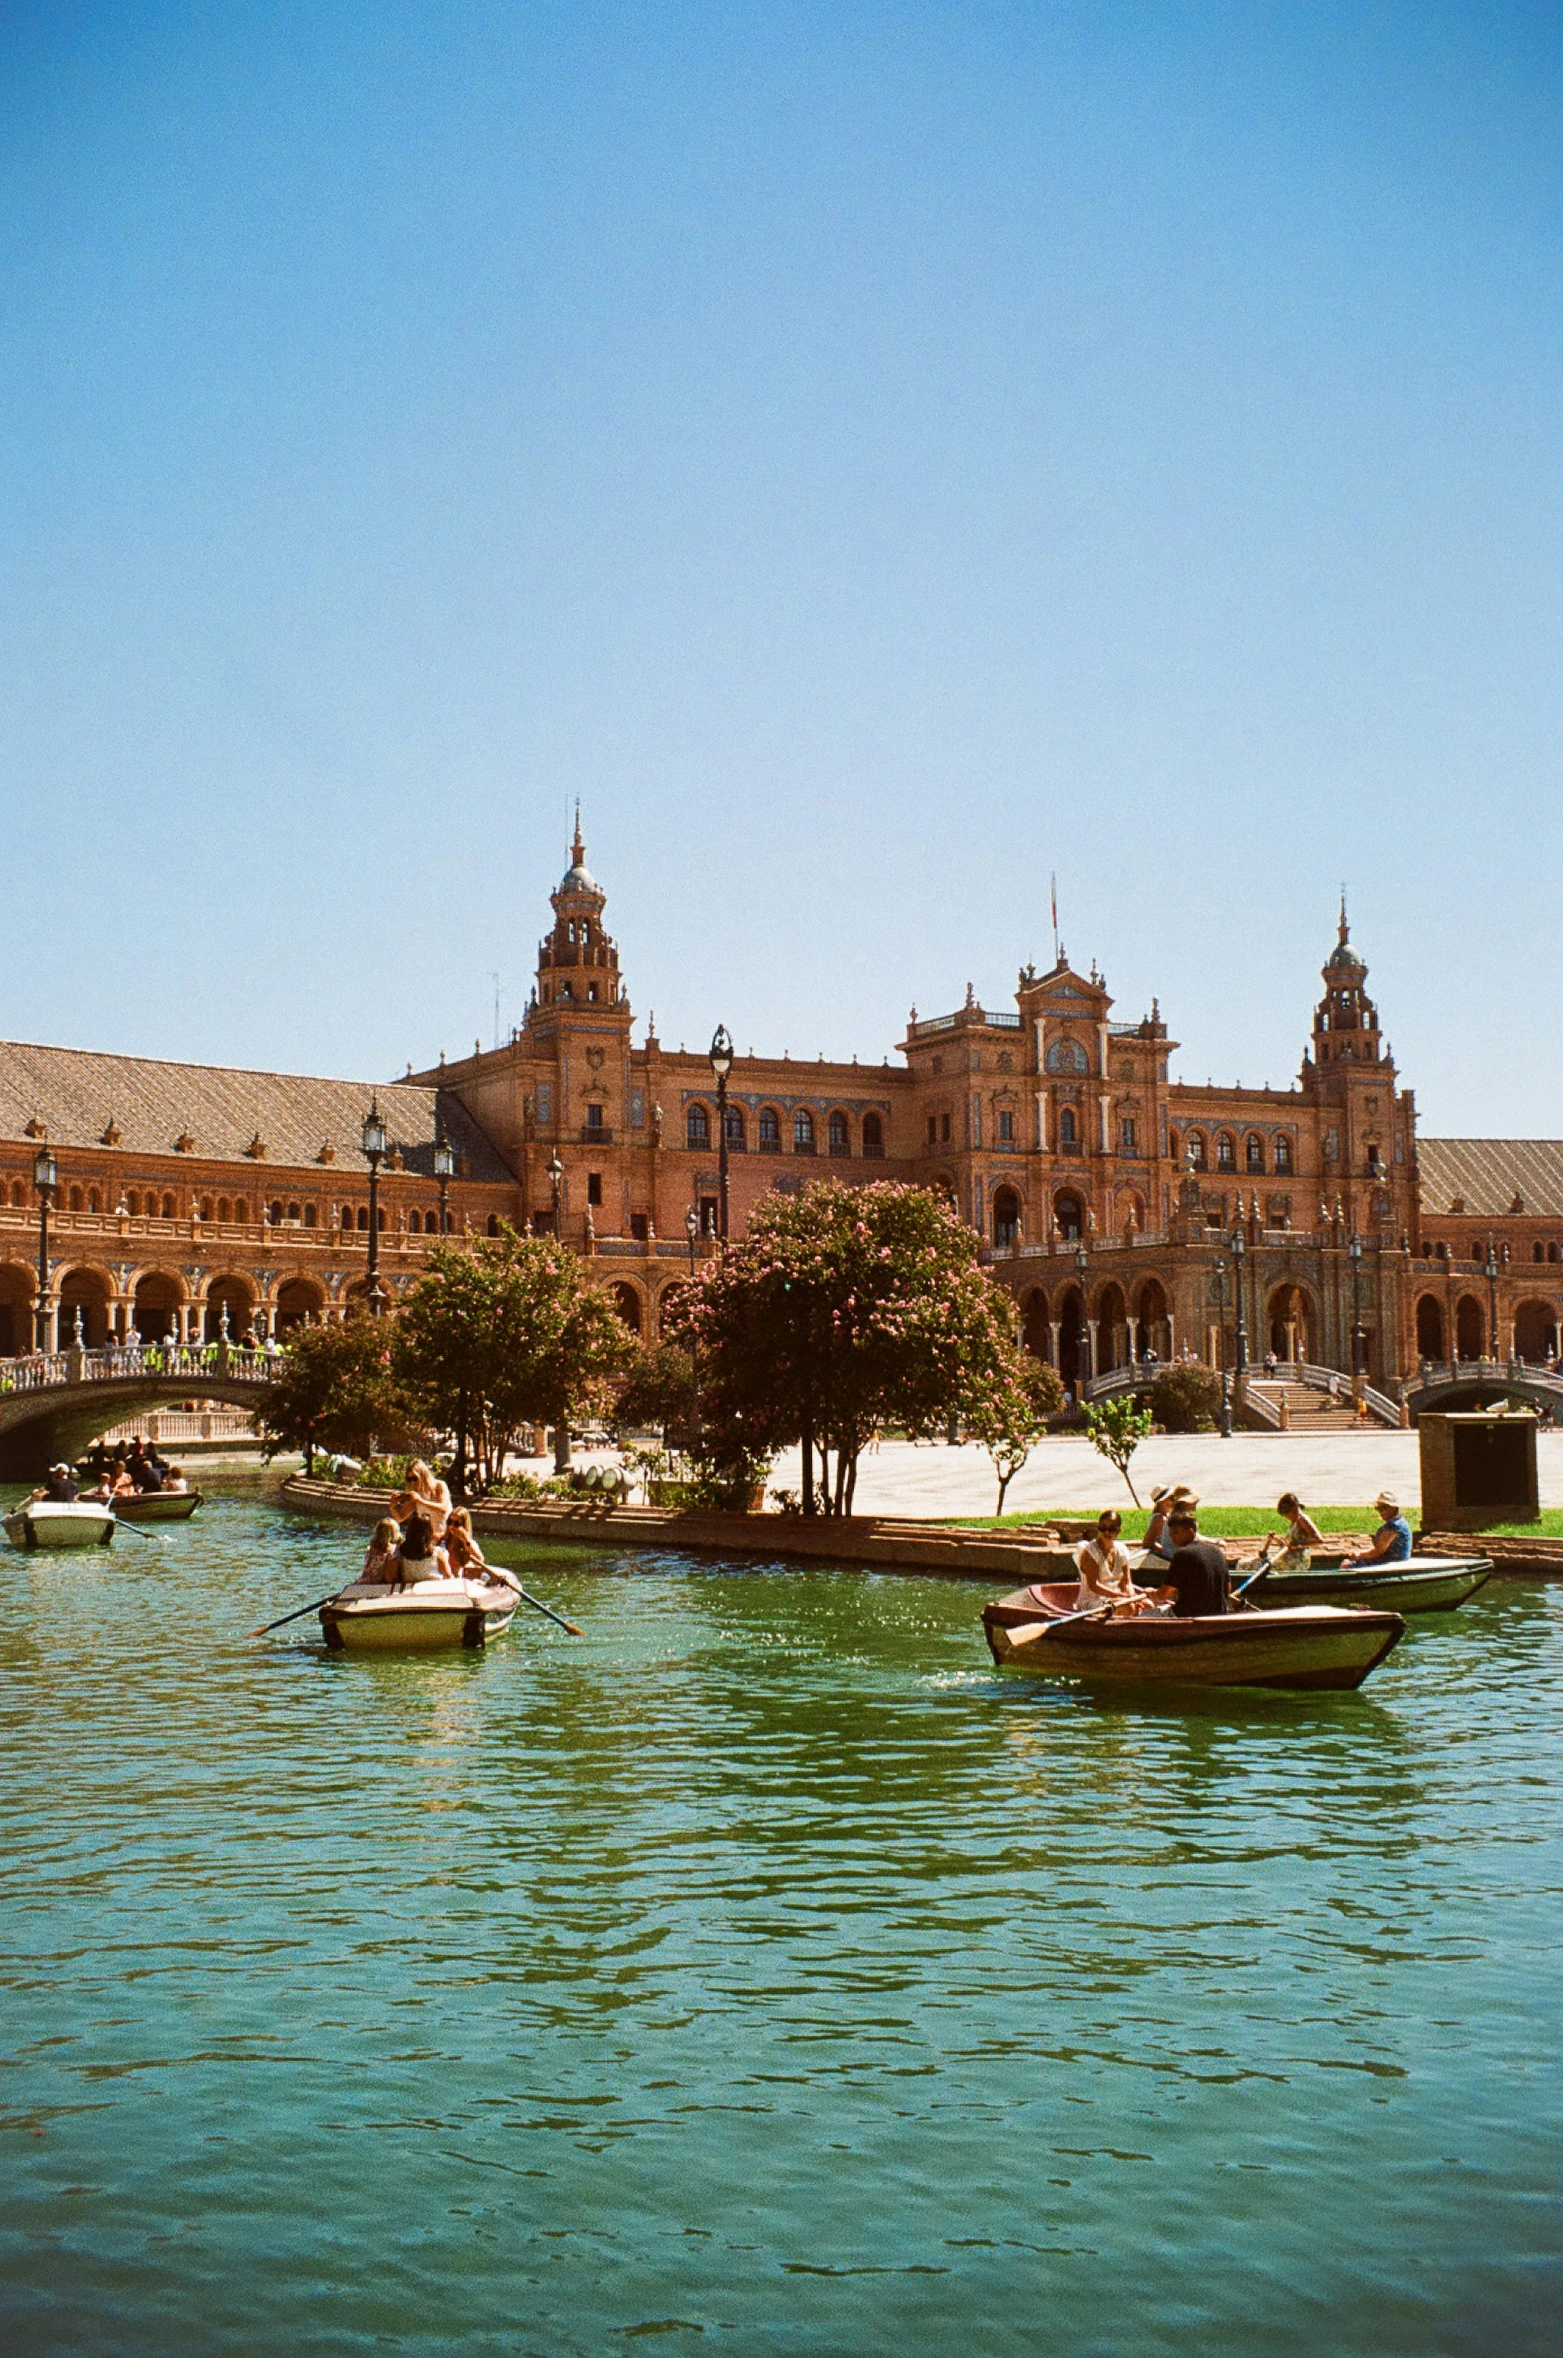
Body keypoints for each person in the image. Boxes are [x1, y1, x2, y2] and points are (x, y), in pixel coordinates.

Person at [1156, 1506, 1231, 1617]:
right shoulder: (1217, 1551)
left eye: (1176, 1533)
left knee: (1143, 1614)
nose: (1173, 1538)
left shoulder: (1183, 1554)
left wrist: (1151, 1594)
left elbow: (1163, 1594)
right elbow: (1228, 1588)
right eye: (1171, 1534)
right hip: (1218, 1615)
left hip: (1188, 1615)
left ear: (1190, 1532)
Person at [1074, 1510, 1145, 1611]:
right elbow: (1094, 1585)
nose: (1106, 1532)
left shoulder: (1121, 1549)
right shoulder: (1091, 1551)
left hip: (1116, 1598)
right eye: (1103, 1528)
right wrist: (1120, 1595)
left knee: (1147, 1605)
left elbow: (1126, 1582)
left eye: (1111, 1529)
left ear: (1119, 1530)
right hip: (1094, 1601)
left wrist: (1132, 1597)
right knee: (1127, 1607)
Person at [1347, 1491, 1413, 1568]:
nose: (1380, 1512)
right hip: (1393, 1559)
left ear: (1393, 1508)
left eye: (1383, 1508)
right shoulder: (1399, 1521)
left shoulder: (1394, 1525)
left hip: (1391, 1561)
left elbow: (1378, 1551)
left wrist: (1358, 1555)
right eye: (1378, 1508)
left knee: (1346, 1565)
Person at [392, 1459, 452, 1541]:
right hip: (429, 1539)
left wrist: (420, 1501)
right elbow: (400, 1518)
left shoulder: (439, 1485)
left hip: (445, 1536)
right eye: (409, 1479)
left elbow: (443, 1508)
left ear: (423, 1476)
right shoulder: (415, 1494)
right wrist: (392, 1507)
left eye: (415, 1478)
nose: (412, 1483)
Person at [1142, 1483, 1196, 1570]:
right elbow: (1148, 1542)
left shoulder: (1165, 1515)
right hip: (1165, 1556)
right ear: (1162, 1502)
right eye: (1171, 1498)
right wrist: (1164, 1549)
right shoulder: (1159, 1518)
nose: (1174, 1501)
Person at [391, 1512, 448, 1587]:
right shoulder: (436, 1553)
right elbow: (448, 1575)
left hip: (410, 1590)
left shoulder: (401, 1552)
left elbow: (392, 1577)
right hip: (434, 1589)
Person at [1275, 1492, 1324, 1562]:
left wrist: (1298, 1544)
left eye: (1287, 1512)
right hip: (1291, 1556)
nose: (1287, 1516)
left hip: (1298, 1558)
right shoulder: (1294, 1522)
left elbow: (1318, 1539)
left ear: (1295, 1507)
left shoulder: (1302, 1519)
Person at [360, 1517, 400, 1584]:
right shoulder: (392, 1552)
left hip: (363, 1582)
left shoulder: (369, 1549)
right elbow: (389, 1578)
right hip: (376, 1585)